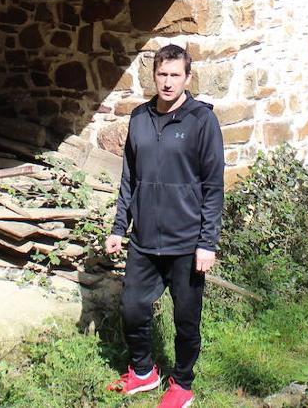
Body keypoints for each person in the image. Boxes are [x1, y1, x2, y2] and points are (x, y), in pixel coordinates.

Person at [105, 43, 225, 408]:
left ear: (188, 77)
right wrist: (117, 228)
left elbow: (212, 186)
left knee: (186, 321)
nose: (168, 82)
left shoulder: (202, 121)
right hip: (144, 240)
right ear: (153, 75)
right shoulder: (139, 118)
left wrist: (208, 242)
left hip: (186, 243)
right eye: (162, 74)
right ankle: (143, 372)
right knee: (132, 308)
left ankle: (183, 385)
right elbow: (129, 179)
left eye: (175, 75)